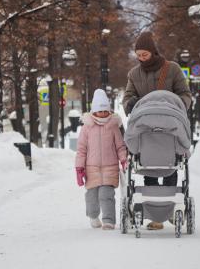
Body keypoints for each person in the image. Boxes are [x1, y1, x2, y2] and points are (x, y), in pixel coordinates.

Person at [122, 31, 192, 230]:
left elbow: (185, 94)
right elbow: (127, 97)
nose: (141, 58)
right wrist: (130, 103)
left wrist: (178, 107)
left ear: (153, 52)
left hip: (170, 125)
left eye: (145, 54)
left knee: (170, 166)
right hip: (146, 128)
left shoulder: (172, 69)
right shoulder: (134, 74)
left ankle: (169, 208)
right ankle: (155, 215)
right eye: (139, 55)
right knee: (149, 168)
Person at [75, 89, 127, 230]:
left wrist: (123, 160)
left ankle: (109, 221)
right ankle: (93, 216)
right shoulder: (87, 127)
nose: (103, 114)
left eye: (105, 111)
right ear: (94, 111)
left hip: (110, 167)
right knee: (92, 196)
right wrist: (79, 168)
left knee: (106, 194)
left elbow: (120, 146)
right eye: (100, 111)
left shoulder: (113, 126)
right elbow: (81, 149)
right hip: (91, 169)